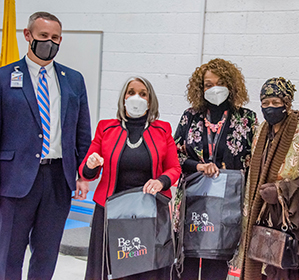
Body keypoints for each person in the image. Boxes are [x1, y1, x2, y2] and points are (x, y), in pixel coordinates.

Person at [0, 11, 91, 280]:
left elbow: (82, 131)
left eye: (55, 38)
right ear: (27, 36)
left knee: (47, 252)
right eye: (43, 36)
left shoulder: (73, 79)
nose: (49, 42)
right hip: (15, 180)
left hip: (57, 179)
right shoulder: (5, 77)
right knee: (9, 254)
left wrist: (85, 174)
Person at [80, 76, 181, 280]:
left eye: (143, 94)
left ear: (150, 100)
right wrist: (91, 165)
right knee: (111, 269)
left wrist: (161, 181)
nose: (137, 97)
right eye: (131, 92)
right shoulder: (105, 128)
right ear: (123, 98)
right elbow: (86, 171)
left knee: (146, 268)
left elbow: (174, 168)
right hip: (111, 213)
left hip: (150, 213)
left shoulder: (163, 130)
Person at [173, 58, 257, 280]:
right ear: (200, 89)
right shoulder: (190, 116)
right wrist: (199, 166)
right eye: (208, 84)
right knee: (188, 262)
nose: (214, 88)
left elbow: (252, 160)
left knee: (216, 265)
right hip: (193, 198)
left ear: (231, 85)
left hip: (226, 202)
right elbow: (174, 156)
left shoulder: (246, 118)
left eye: (219, 82)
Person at [238, 77, 299, 280]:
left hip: (287, 223)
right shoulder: (260, 131)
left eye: (276, 103)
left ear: (287, 103)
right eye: (265, 103)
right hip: (258, 217)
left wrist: (281, 191)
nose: (270, 108)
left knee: (284, 272)